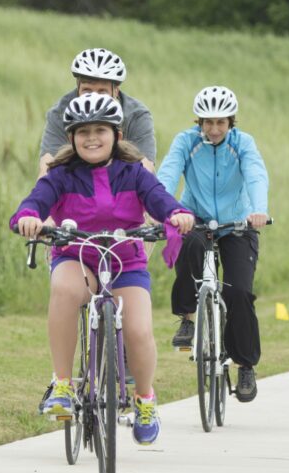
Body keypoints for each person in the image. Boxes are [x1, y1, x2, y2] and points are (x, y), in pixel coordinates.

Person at [12, 93, 194, 445]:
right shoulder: (60, 175)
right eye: (83, 132)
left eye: (100, 130)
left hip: (126, 260)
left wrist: (176, 215)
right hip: (77, 255)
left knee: (139, 331)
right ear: (71, 138)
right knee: (64, 291)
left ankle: (144, 400)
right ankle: (63, 386)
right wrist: (29, 218)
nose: (92, 138)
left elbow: (160, 200)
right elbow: (34, 201)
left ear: (117, 135)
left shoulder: (134, 173)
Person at [156, 86, 270, 402]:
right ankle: (188, 318)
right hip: (195, 217)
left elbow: (256, 174)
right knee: (187, 245)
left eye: (221, 122)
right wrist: (163, 209)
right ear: (199, 122)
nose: (214, 129)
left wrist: (259, 210)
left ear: (231, 122)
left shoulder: (242, 143)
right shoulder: (186, 141)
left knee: (238, 293)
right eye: (207, 122)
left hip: (238, 223)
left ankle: (245, 364)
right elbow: (168, 173)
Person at [38, 48, 157, 177]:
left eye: (102, 91)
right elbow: (47, 167)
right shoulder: (60, 113)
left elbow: (146, 168)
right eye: (87, 91)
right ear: (78, 87)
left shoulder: (136, 115)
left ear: (115, 91)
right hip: (75, 183)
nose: (94, 98)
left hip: (123, 184)